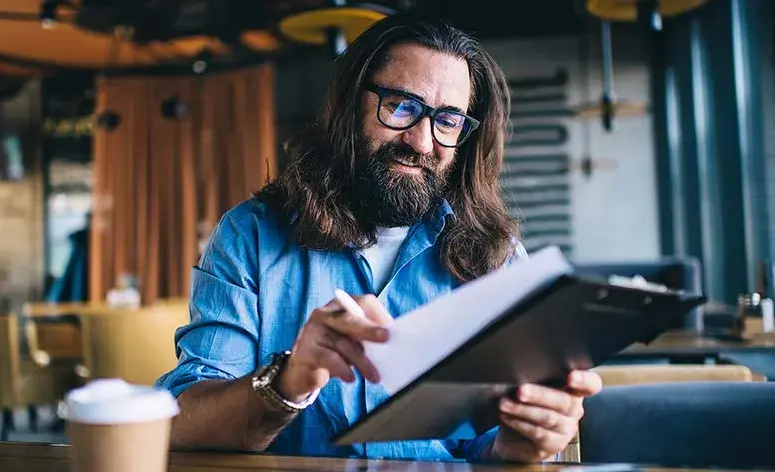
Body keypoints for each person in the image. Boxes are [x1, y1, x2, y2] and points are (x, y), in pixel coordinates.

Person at [156, 13, 602, 463]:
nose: (423, 142)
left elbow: (487, 441)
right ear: (349, 107)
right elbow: (183, 420)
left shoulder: (498, 260)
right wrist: (287, 382)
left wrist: (519, 442)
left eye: (447, 120)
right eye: (401, 106)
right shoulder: (250, 237)